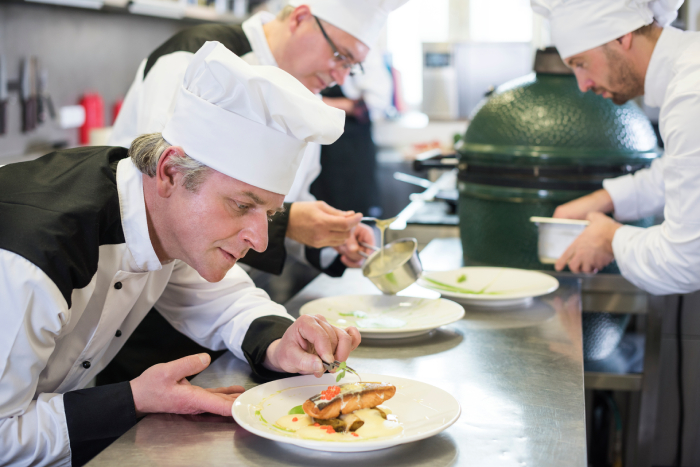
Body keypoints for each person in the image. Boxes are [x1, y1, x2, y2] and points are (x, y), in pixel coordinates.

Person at [0, 42, 360, 467]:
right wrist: (133, 399)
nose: (261, 240)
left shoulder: (159, 216)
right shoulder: (34, 259)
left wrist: (281, 343)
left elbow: (227, 304)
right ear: (171, 171)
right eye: (242, 205)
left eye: (270, 211)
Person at [110, 0, 408, 277]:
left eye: (352, 66)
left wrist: (331, 239)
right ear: (300, 18)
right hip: (143, 277)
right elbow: (167, 196)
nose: (342, 79)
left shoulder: (304, 97)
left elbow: (292, 197)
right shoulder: (199, 59)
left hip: (230, 288)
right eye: (341, 56)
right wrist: (289, 222)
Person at [530, 0, 700, 295]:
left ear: (623, 36)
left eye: (581, 63)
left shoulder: (691, 95)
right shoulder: (688, 72)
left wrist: (610, 239)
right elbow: (677, 173)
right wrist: (605, 199)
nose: (582, 84)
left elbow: (686, 262)